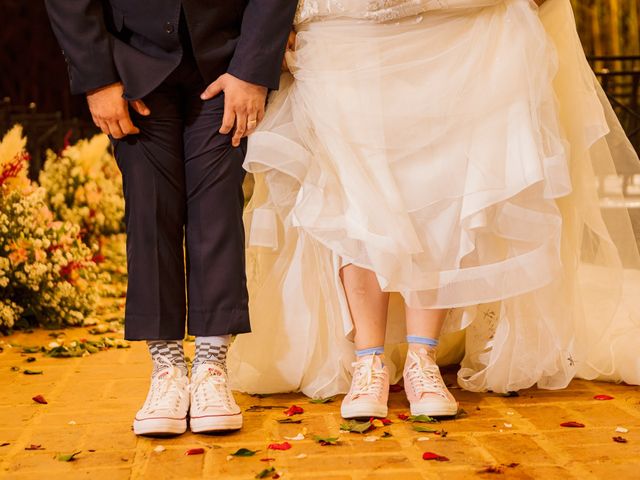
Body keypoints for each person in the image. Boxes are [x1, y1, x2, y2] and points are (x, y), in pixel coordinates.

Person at [228, 0, 640, 419]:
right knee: (352, 188)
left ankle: (421, 359)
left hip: (453, 20)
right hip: (345, 23)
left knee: (440, 189)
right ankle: (368, 359)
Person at [45, 0, 297, 435]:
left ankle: (211, 369)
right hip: (129, 65)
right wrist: (97, 78)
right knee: (148, 208)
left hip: (226, 60)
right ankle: (166, 370)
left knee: (219, 206)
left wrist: (253, 69)